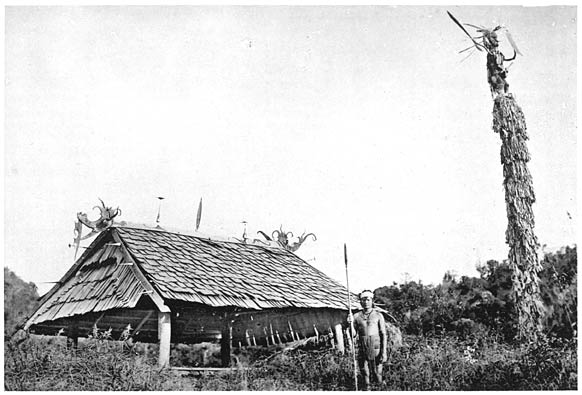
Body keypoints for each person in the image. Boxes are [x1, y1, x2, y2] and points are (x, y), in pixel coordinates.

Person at [349, 290, 387, 389]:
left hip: (375, 345)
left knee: (377, 371)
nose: (366, 302)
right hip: (362, 345)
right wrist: (351, 324)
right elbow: (353, 334)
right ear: (360, 302)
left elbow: (383, 334)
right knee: (364, 371)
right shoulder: (356, 316)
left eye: (368, 300)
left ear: (372, 301)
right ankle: (367, 388)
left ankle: (380, 388)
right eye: (363, 300)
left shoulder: (378, 315)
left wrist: (384, 352)